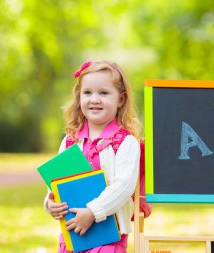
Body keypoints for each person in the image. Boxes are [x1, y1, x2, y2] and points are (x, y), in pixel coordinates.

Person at [44, 60, 141, 253]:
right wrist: (50, 203)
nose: (94, 99)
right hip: (74, 234)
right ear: (79, 97)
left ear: (121, 99)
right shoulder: (70, 141)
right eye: (87, 93)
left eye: (103, 93)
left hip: (108, 236)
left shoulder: (125, 142)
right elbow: (56, 184)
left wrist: (93, 212)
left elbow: (123, 187)